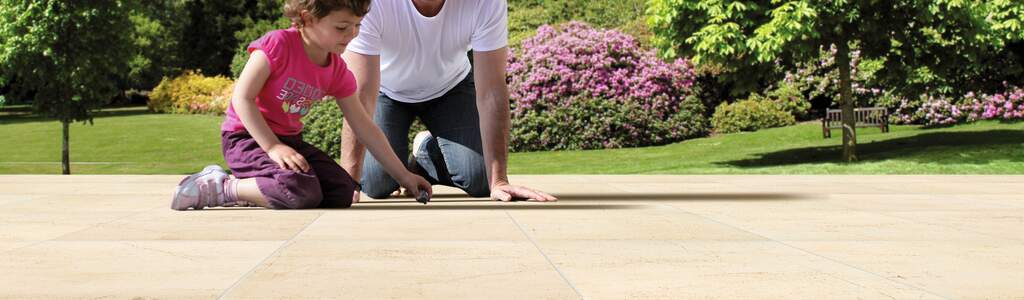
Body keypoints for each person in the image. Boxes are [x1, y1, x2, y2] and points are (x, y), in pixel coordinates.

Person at [171, 0, 431, 210]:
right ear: (307, 18)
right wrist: (272, 147)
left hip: (289, 142)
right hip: (246, 138)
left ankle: (262, 189)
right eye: (342, 27)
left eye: (357, 25)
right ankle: (222, 187)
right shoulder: (278, 45)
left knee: (343, 191)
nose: (352, 34)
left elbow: (364, 126)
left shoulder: (337, 69)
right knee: (298, 191)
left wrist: (404, 176)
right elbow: (242, 98)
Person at [340, 0, 557, 203]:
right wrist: (348, 182)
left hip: (451, 88)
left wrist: (499, 180)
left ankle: (425, 154)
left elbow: (491, 90)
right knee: (377, 183)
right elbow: (361, 95)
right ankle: (402, 166)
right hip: (386, 91)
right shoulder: (372, 4)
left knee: (482, 179)